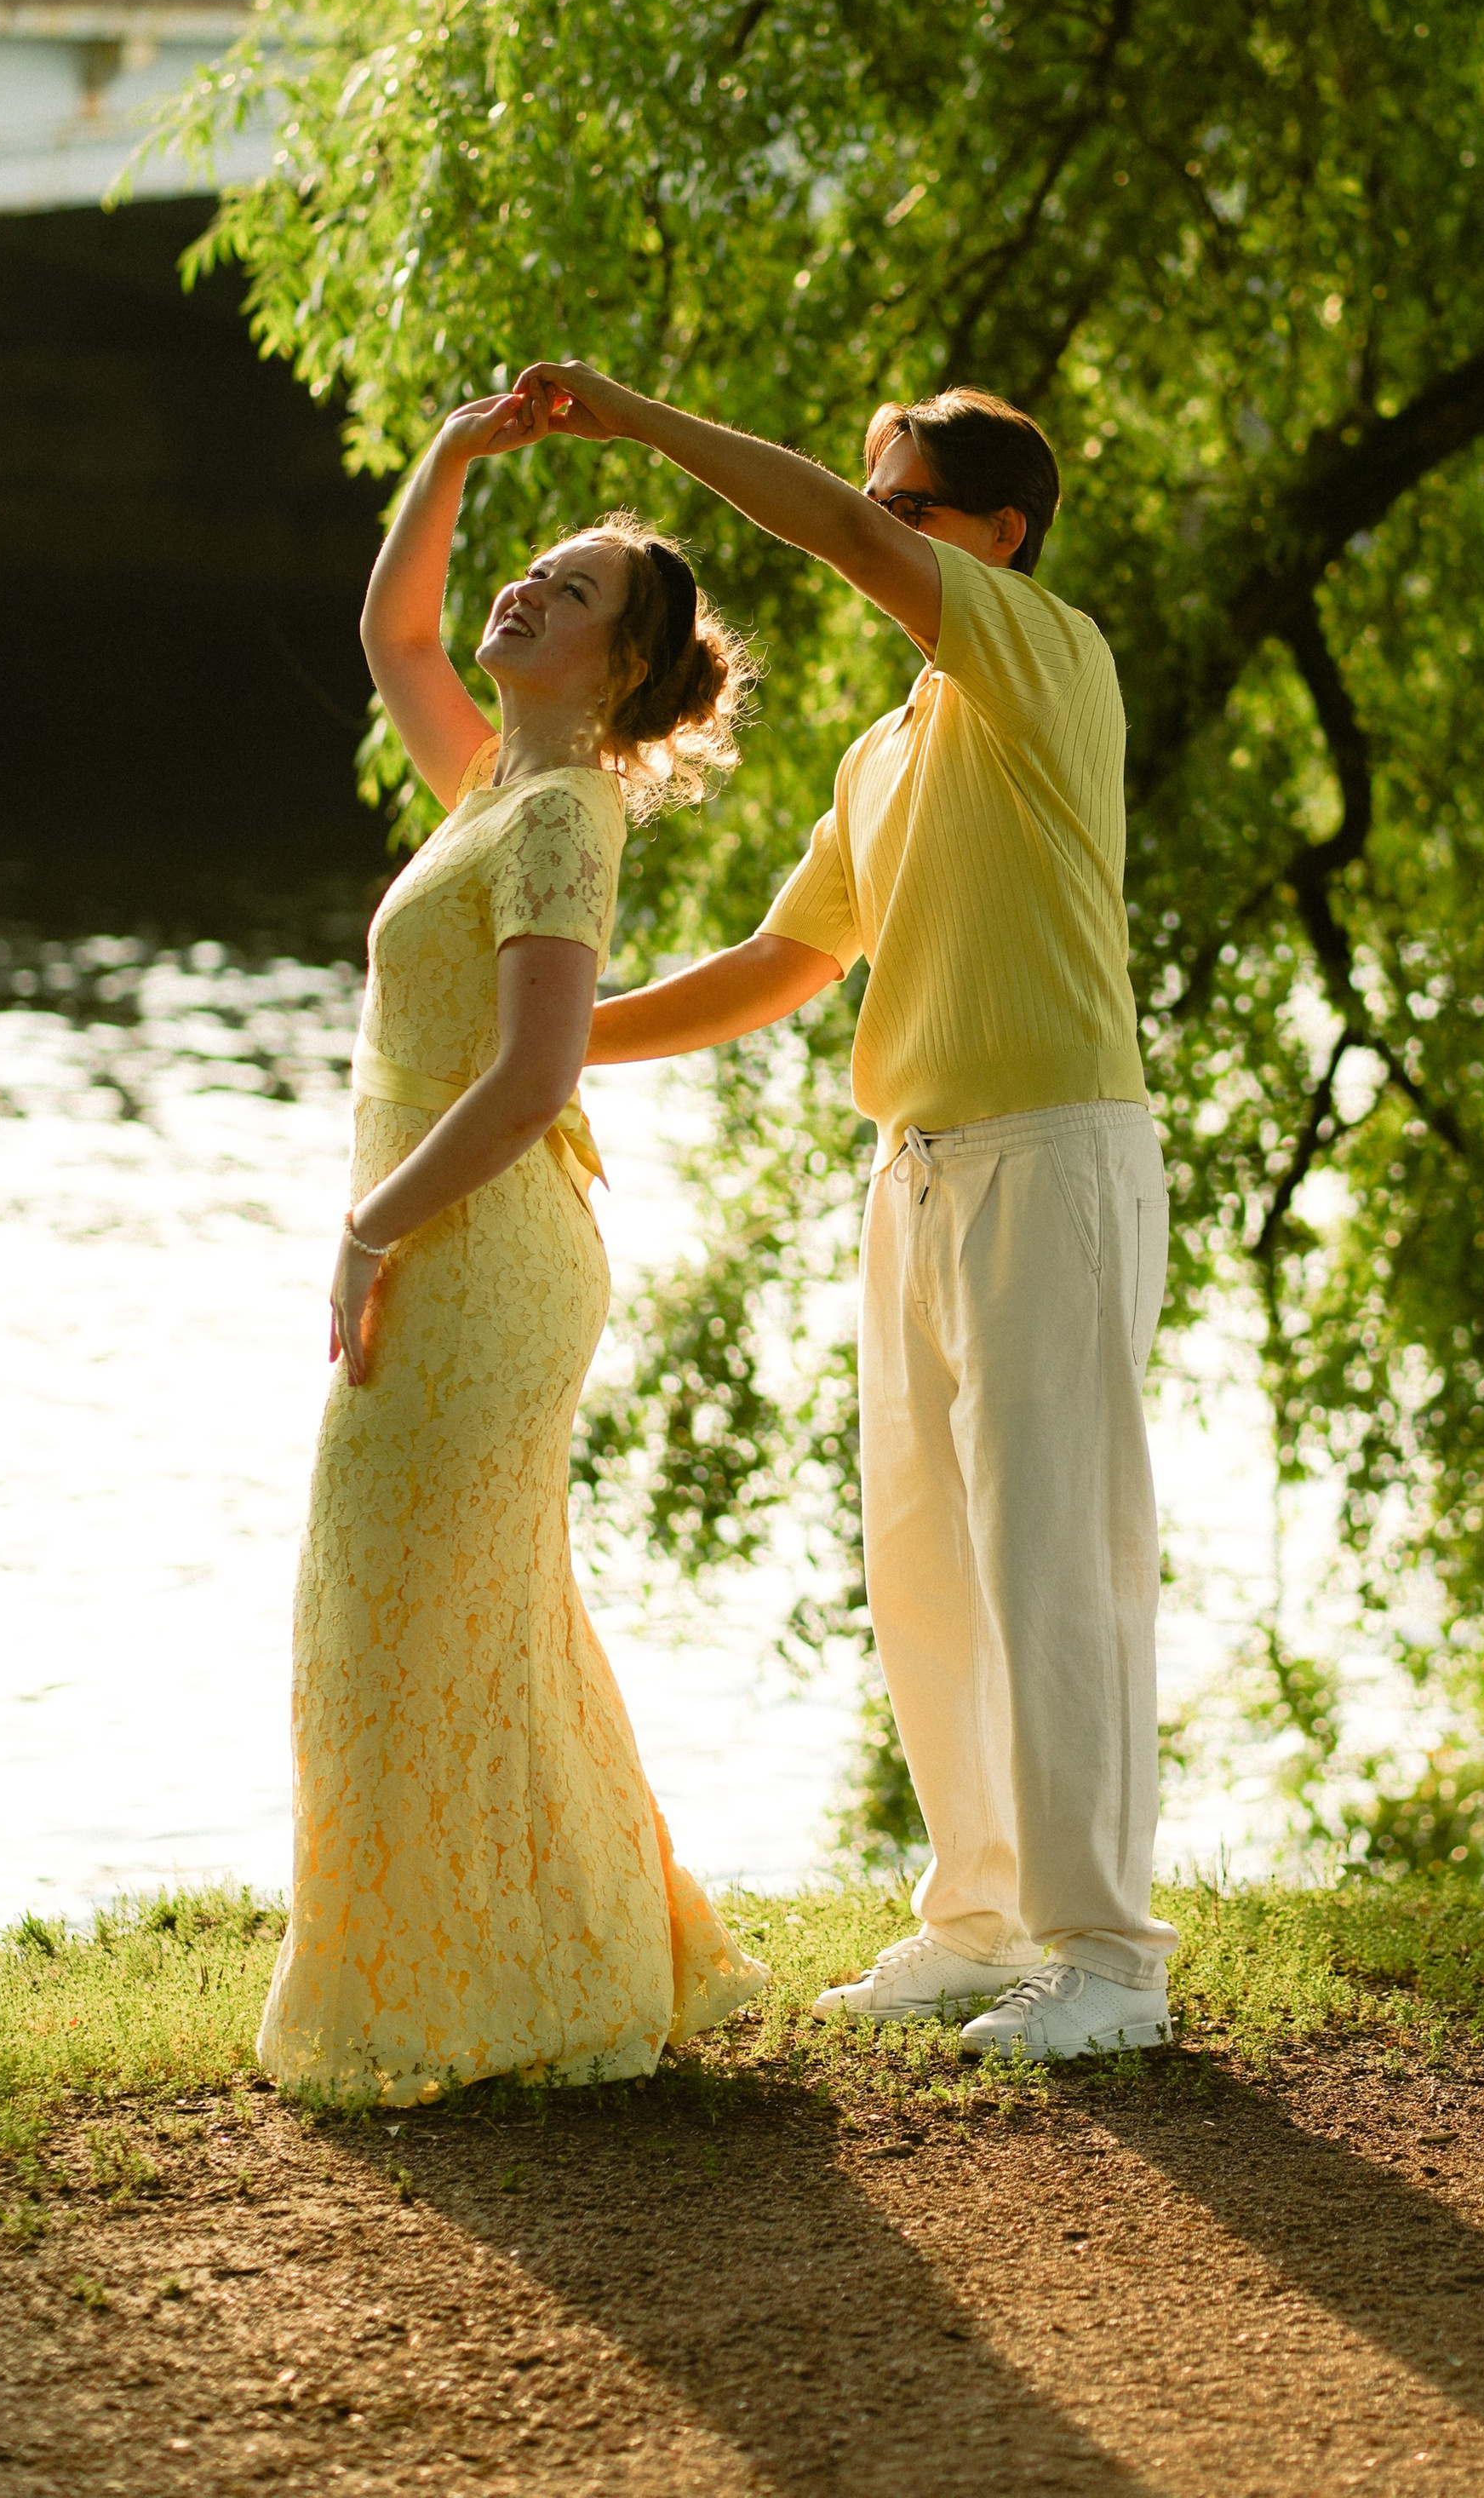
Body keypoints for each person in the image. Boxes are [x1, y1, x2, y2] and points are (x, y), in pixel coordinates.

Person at [510, 359, 1175, 2064]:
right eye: (876, 501)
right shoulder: (885, 752)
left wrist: (639, 420)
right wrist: (558, 1043)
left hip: (1052, 1153)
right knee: (926, 1563)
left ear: (999, 535)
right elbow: (779, 962)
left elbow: (824, 533)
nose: (876, 529)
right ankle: (976, 1919)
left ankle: (1108, 1960)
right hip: (917, 1170)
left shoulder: (1047, 654)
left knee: (1054, 1558)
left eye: (910, 508)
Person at [257, 388, 769, 2101]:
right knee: (452, 1622)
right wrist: (460, 452)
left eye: (573, 590)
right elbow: (392, 630)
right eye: (532, 570)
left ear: (618, 669)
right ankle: (529, 1966)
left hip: (475, 1256)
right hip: (450, 1244)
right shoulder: (494, 779)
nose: (526, 591)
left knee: (404, 1617)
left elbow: (538, 1073)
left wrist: (369, 1225)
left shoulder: (562, 814)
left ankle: (488, 1989)